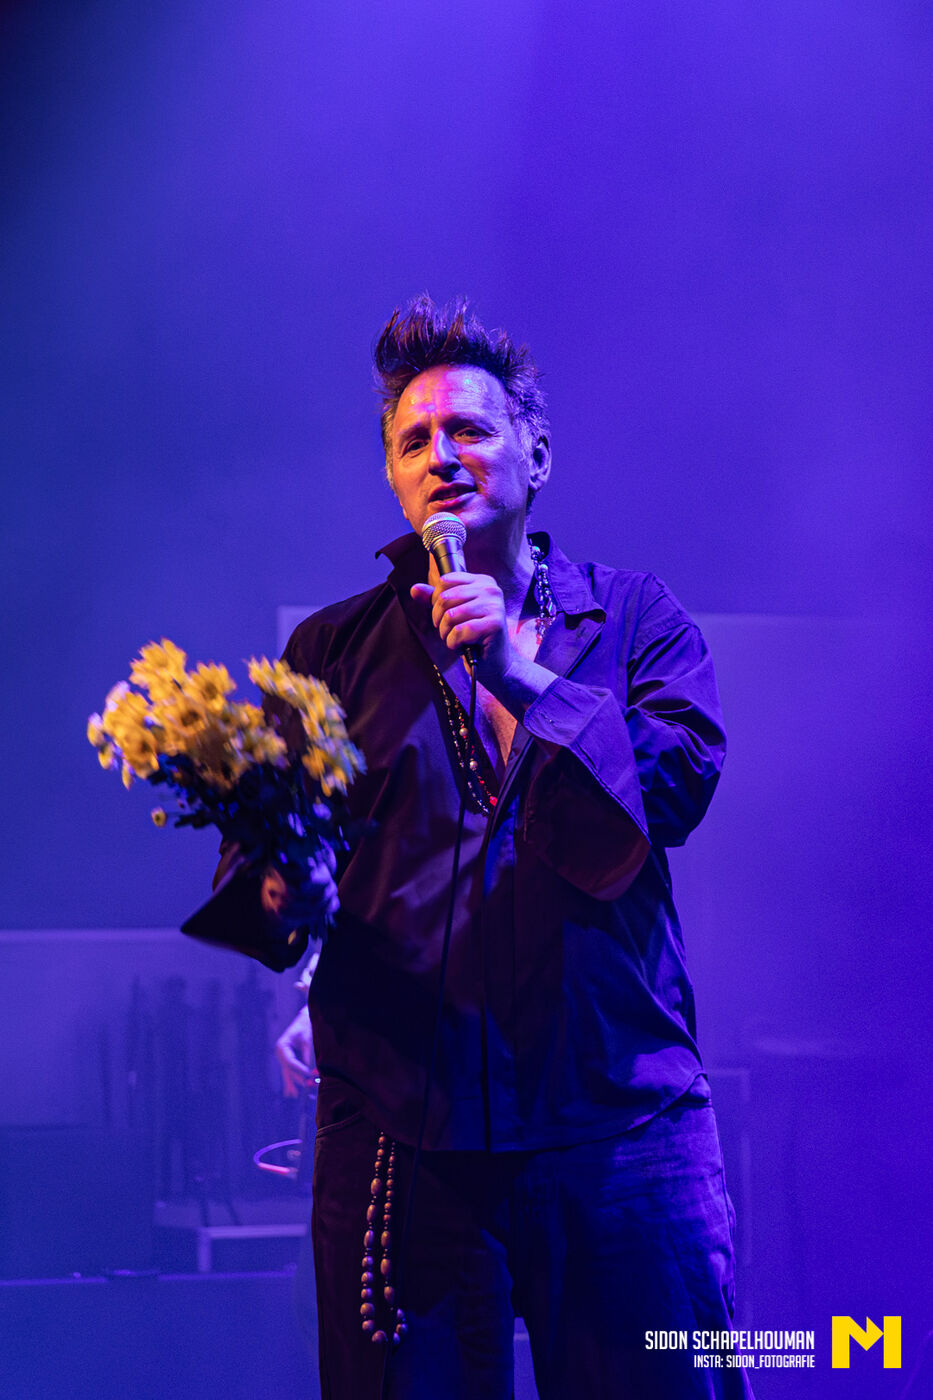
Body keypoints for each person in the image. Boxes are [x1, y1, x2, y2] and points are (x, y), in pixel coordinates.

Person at [219, 296, 752, 1399]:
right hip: (402, 1129)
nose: (441, 456)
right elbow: (256, 877)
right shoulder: (330, 652)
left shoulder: (635, 621)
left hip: (617, 1119)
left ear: (536, 454)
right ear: (391, 476)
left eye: (469, 429)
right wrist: (285, 901)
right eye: (414, 440)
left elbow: (673, 786)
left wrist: (522, 678)